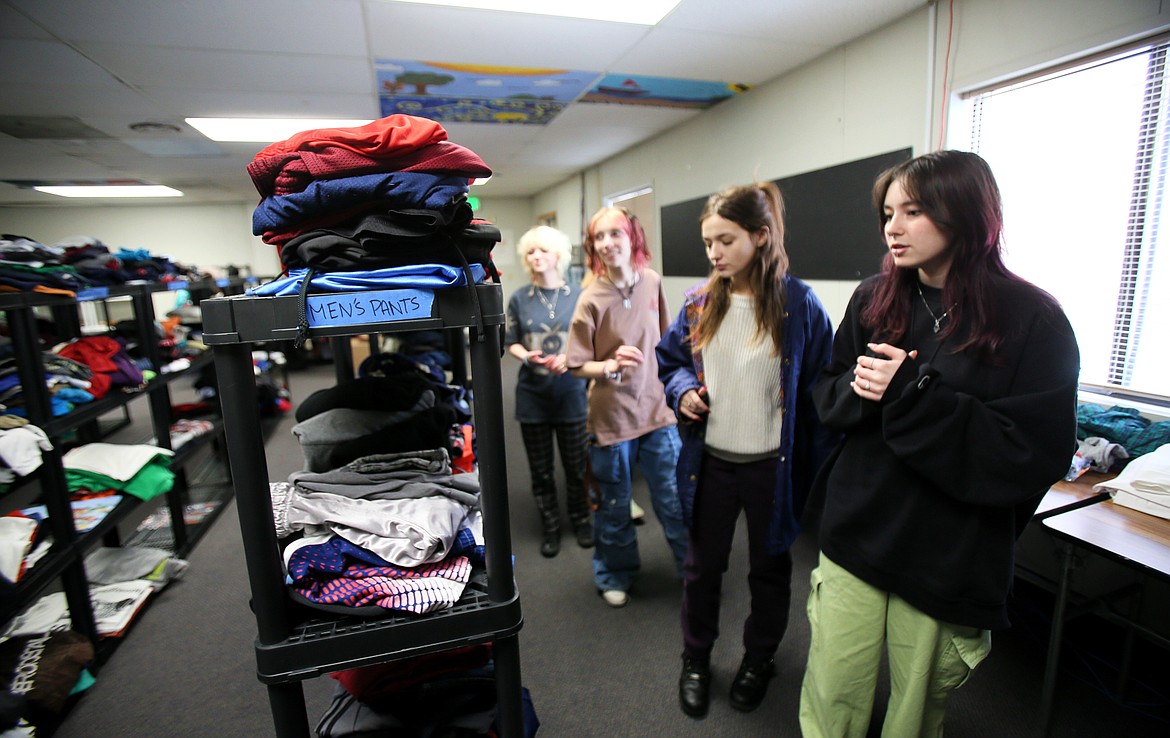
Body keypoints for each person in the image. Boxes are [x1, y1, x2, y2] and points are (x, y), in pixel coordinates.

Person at [799, 150, 1080, 737]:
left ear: (967, 213)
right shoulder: (876, 296)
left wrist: (911, 395)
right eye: (887, 212)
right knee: (832, 698)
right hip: (858, 532)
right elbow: (827, 391)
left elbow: (1032, 454)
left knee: (914, 717)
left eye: (914, 211)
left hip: (947, 554)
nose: (892, 228)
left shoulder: (1033, 320)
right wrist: (864, 390)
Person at [656, 182, 836, 718]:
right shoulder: (699, 302)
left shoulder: (800, 305)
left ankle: (760, 659)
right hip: (711, 465)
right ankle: (696, 659)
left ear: (760, 236)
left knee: (770, 570)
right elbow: (671, 362)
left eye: (725, 240)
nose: (713, 252)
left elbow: (822, 387)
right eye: (709, 242)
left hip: (770, 470)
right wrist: (683, 390)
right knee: (702, 568)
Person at [565, 206, 689, 609]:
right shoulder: (590, 299)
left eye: (615, 234)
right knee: (614, 504)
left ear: (632, 238)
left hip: (657, 413)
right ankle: (614, 573)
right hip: (611, 420)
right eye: (599, 237)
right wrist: (610, 365)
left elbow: (670, 343)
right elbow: (575, 364)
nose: (607, 244)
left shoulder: (651, 282)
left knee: (674, 499)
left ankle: (693, 573)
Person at [504, 225, 592, 558]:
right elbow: (510, 342)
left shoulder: (579, 296)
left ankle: (581, 518)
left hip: (571, 393)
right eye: (530, 252)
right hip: (533, 397)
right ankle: (551, 526)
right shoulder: (519, 298)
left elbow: (591, 342)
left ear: (558, 255)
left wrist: (571, 358)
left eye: (543, 250)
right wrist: (527, 355)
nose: (536, 257)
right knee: (540, 470)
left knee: (576, 466)